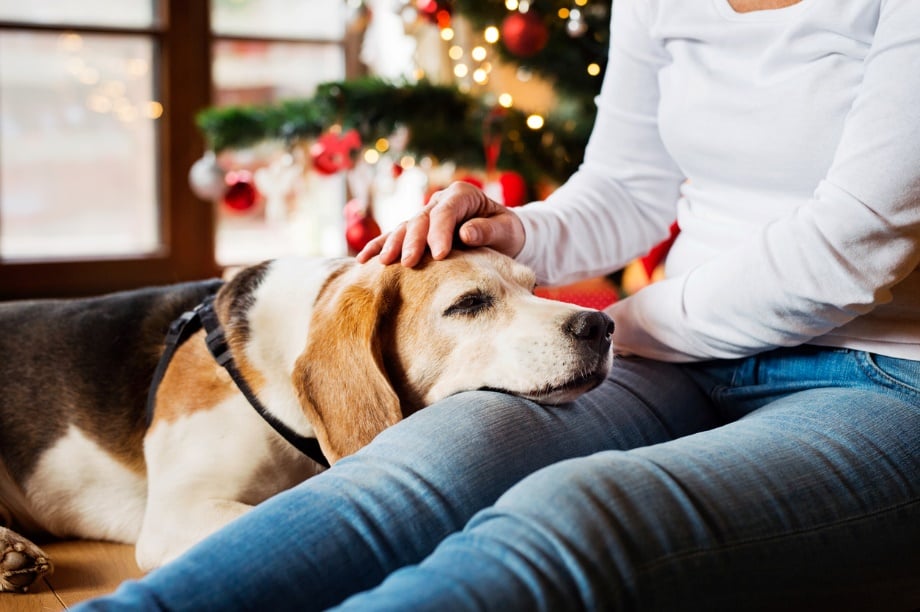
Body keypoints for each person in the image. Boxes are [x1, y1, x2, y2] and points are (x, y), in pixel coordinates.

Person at [77, 0, 919, 609]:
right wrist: (513, 232)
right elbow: (628, 189)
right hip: (681, 355)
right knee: (410, 474)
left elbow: (861, 243)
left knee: (572, 514)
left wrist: (610, 329)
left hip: (879, 376)